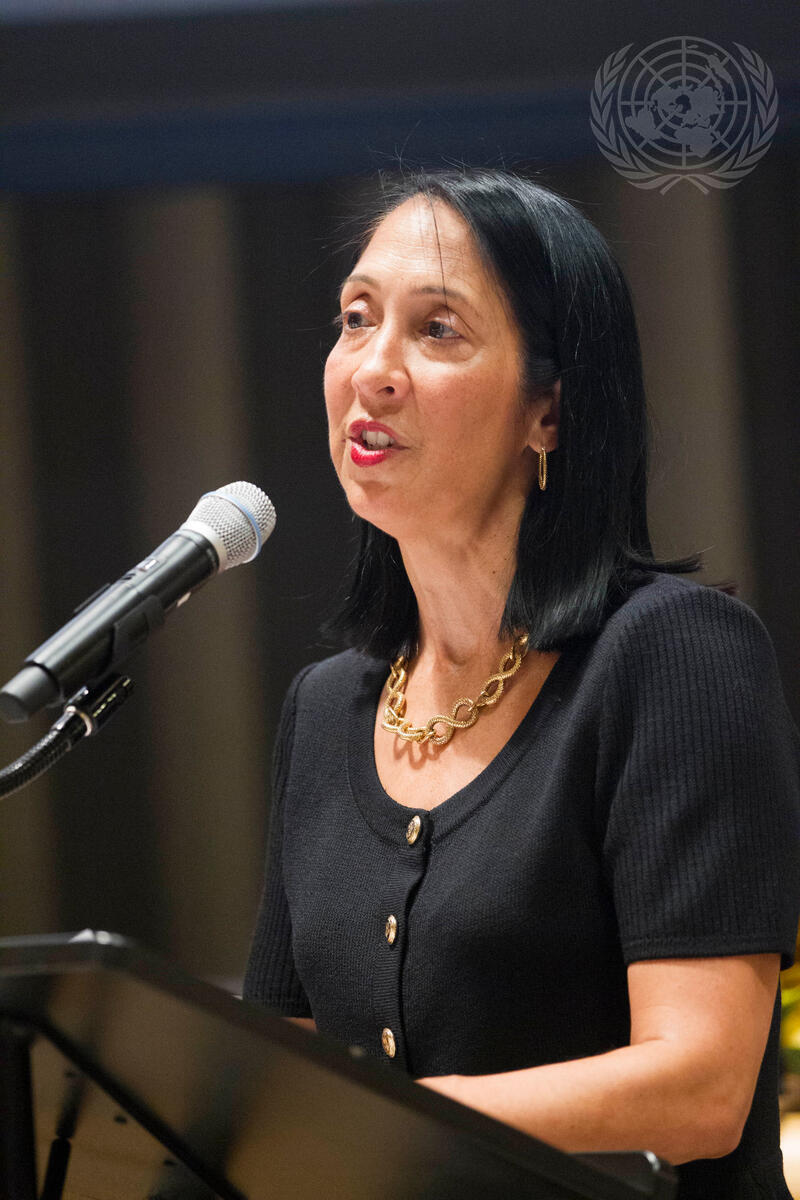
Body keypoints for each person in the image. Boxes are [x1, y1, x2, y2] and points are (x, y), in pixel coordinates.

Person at [243, 166, 800, 1198]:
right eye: (356, 319)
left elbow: (698, 1089)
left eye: (437, 330)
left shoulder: (673, 657)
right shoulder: (326, 710)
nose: (373, 368)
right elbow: (279, 1081)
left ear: (549, 409)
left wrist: (387, 1128)